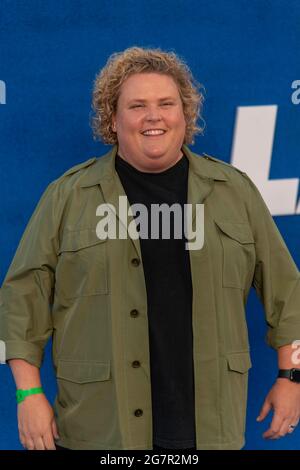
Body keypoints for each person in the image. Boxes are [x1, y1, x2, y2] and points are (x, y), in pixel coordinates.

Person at [0, 46, 300, 451]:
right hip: (100, 429)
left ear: (185, 113)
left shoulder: (235, 192)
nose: (153, 116)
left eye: (166, 103)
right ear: (113, 118)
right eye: (137, 105)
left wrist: (291, 377)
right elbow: (22, 297)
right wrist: (27, 394)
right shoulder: (68, 196)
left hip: (208, 430)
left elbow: (288, 294)